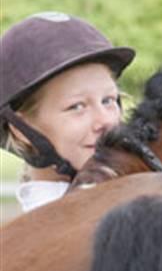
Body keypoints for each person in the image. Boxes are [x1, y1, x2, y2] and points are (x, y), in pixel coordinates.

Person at [0, 12, 135, 213]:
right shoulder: (57, 229)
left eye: (108, 100)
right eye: (77, 106)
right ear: (22, 130)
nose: (105, 121)